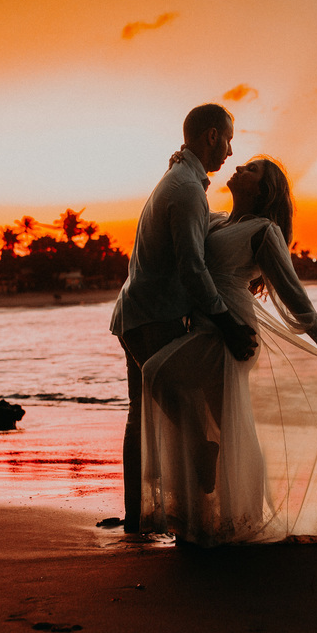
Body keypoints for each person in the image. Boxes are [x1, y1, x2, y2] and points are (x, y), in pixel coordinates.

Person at [139, 156, 317, 547]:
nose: (240, 169)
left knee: (158, 372)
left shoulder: (264, 230)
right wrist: (175, 168)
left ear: (264, 190)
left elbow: (293, 293)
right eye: (242, 165)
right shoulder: (218, 221)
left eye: (252, 170)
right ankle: (226, 510)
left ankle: (245, 512)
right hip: (208, 328)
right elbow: (183, 221)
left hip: (233, 335)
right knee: (231, 426)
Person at [106, 104, 258, 534]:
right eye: (228, 139)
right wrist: (228, 323)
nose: (230, 150)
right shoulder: (186, 188)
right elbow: (193, 268)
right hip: (152, 317)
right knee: (188, 414)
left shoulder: (180, 181)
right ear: (212, 136)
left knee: (141, 414)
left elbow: (204, 232)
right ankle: (194, 506)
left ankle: (138, 517)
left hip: (134, 312)